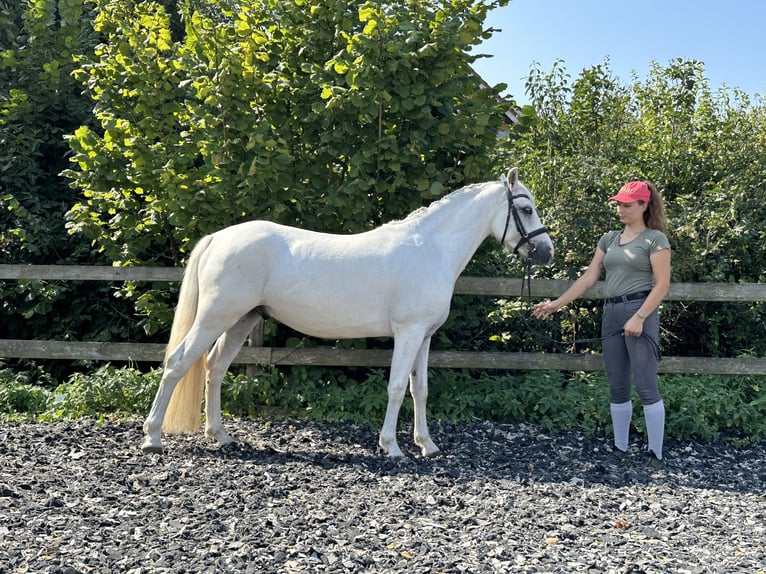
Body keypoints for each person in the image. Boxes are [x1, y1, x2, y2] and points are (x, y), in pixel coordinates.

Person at [532, 181, 671, 468]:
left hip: (639, 310)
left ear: (644, 206)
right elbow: (589, 277)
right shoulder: (609, 239)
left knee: (646, 385)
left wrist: (641, 317)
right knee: (617, 384)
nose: (620, 209)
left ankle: (654, 454)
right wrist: (556, 304)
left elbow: (662, 285)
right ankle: (620, 448)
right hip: (612, 313)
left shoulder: (655, 240)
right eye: (618, 204)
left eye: (627, 205)